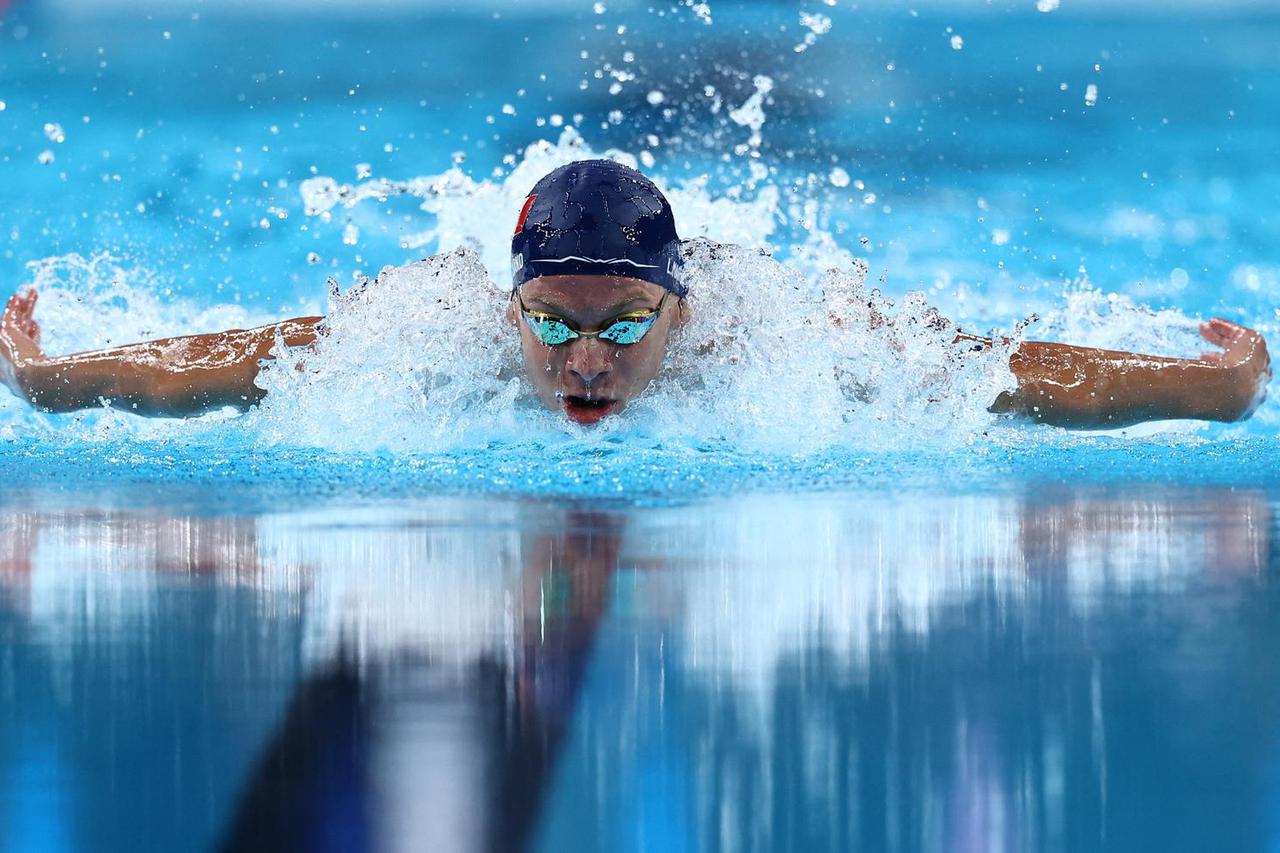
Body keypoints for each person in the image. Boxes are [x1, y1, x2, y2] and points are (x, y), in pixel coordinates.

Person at [0, 160, 1271, 428]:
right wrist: (53, 378)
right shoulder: (433, 327)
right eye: (550, 324)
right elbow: (229, 360)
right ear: (510, 309)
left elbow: (1001, 370)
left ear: (681, 310)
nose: (584, 362)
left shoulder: (778, 339)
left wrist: (1208, 388)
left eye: (621, 326)